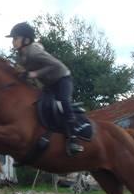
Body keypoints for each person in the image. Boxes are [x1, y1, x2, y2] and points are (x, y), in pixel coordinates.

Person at [6, 21, 83, 155]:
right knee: (38, 105)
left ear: (26, 40)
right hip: (49, 84)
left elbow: (57, 65)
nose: (13, 41)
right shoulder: (21, 56)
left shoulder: (34, 52)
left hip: (62, 79)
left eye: (16, 38)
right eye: (13, 39)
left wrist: (35, 74)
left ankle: (73, 139)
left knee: (63, 102)